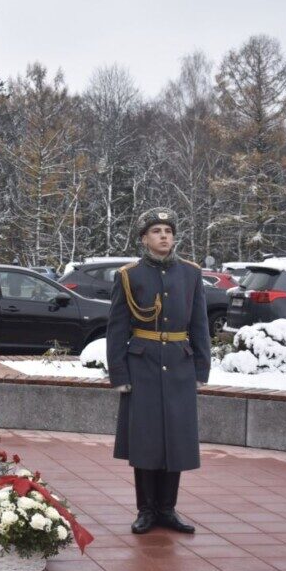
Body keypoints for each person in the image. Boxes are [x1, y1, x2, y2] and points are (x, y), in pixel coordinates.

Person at [107, 208, 211, 535]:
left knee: (176, 440)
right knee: (146, 440)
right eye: (156, 231)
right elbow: (117, 329)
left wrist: (200, 369)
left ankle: (167, 509)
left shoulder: (191, 274)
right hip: (143, 366)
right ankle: (146, 510)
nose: (164, 236)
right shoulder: (130, 275)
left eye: (168, 230)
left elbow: (200, 324)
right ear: (144, 238)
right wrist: (120, 375)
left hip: (179, 364)